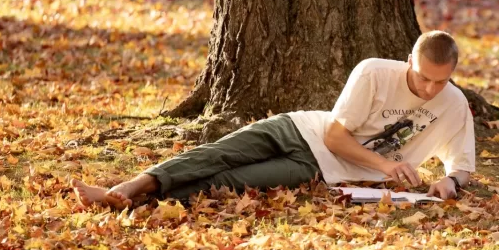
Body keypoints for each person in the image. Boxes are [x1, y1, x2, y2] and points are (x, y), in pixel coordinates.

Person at [72, 30, 475, 208]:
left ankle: (135, 204)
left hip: (315, 167)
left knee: (226, 182)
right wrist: (388, 165)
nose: (429, 89)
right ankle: (130, 185)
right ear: (410, 61)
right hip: (299, 128)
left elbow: (462, 163)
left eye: (441, 81)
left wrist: (449, 181)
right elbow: (335, 136)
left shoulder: (453, 103)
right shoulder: (374, 72)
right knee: (216, 154)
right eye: (423, 77)